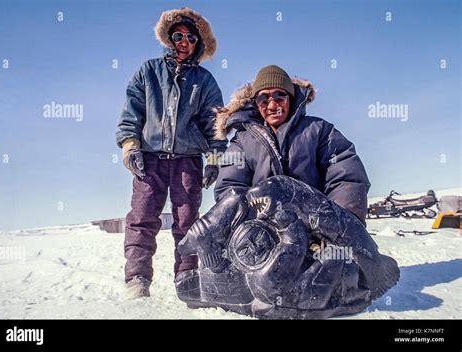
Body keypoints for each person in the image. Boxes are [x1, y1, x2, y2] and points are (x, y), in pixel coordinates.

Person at [116, 7, 226, 298]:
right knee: (142, 217)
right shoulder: (148, 71)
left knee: (187, 220)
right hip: (149, 158)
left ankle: (188, 277)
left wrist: (214, 159)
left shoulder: (205, 81)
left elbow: (215, 123)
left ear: (198, 44)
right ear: (169, 38)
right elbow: (132, 113)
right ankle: (138, 279)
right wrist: (130, 146)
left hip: (187, 161)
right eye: (178, 35)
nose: (184, 42)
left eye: (190, 38)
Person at [214, 65, 371, 224]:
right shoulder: (242, 141)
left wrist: (339, 224)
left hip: (316, 227)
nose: (272, 106)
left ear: (291, 98)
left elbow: (346, 177)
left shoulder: (319, 130)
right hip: (262, 230)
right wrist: (249, 226)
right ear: (256, 103)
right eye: (263, 99)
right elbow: (230, 188)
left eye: (279, 96)